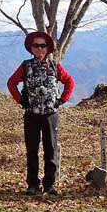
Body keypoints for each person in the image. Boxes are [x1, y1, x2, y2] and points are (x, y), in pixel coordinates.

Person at [7, 31, 74, 196]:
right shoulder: (26, 66)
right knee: (32, 150)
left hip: (50, 114)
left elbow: (69, 82)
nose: (40, 49)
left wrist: (62, 100)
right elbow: (11, 83)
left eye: (43, 45)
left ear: (47, 48)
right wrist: (21, 100)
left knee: (50, 149)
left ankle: (49, 184)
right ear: (31, 48)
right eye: (36, 45)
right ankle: (32, 184)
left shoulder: (55, 66)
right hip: (31, 114)